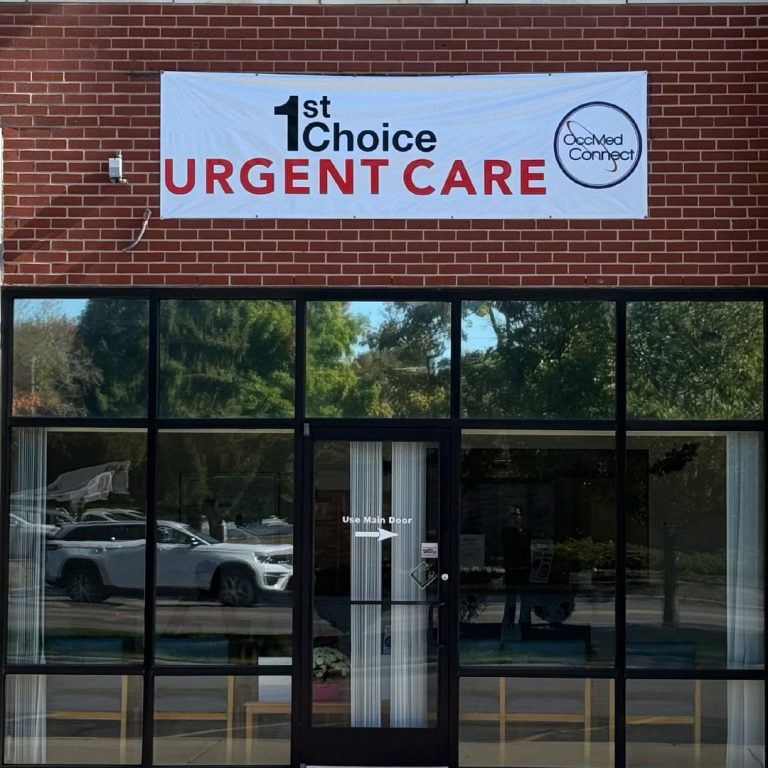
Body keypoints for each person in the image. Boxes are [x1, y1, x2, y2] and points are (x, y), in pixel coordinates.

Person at [500, 505, 531, 644]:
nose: (517, 518)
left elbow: (527, 546)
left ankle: (525, 628)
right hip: (512, 570)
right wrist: (515, 530)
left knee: (525, 602)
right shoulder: (506, 532)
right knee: (510, 601)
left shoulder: (526, 531)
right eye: (513, 516)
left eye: (518, 515)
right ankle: (508, 627)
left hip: (524, 570)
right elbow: (511, 547)